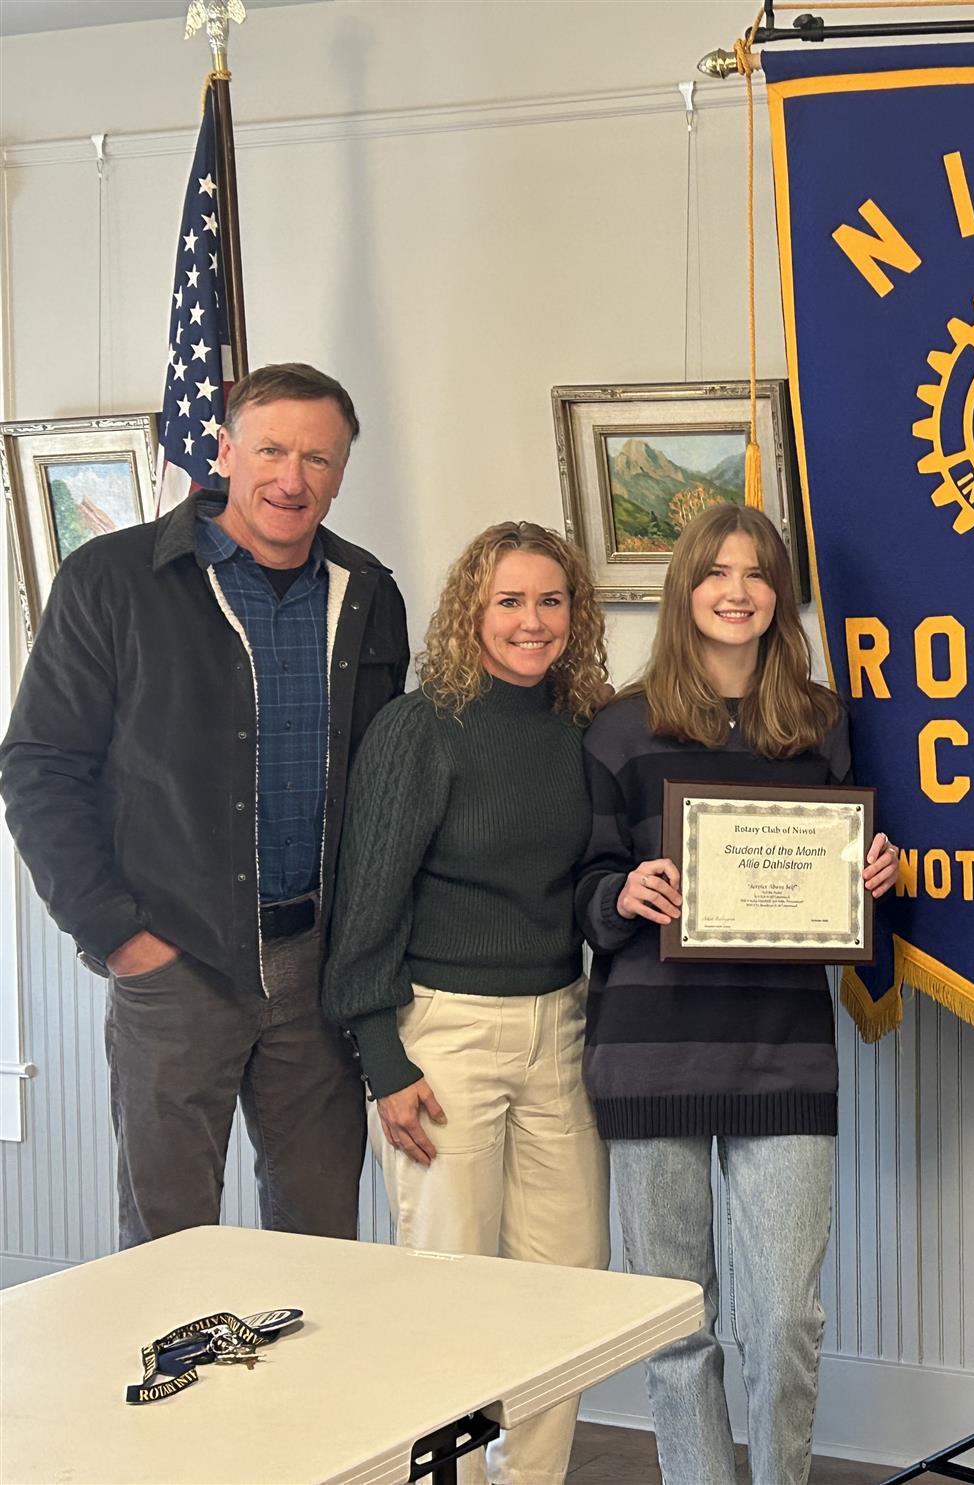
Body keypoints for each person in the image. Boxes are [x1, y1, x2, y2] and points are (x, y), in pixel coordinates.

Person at [0, 363, 407, 1248]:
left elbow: (386, 786)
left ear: (342, 471)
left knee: (320, 1244)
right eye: (270, 450)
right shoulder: (113, 579)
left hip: (319, 969)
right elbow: (38, 767)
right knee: (169, 1248)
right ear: (223, 450)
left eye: (318, 458)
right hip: (175, 965)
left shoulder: (368, 592)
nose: (292, 478)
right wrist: (119, 937)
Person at [578, 503, 897, 1485]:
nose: (737, 590)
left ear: (780, 595)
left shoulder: (823, 723)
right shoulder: (619, 727)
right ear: (685, 588)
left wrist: (875, 875)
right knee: (676, 1323)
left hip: (782, 1052)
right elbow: (579, 886)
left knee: (785, 1317)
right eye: (717, 571)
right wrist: (620, 892)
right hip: (649, 1053)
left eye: (758, 573)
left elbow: (847, 884)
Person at [322, 521, 612, 1484]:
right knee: (450, 1290)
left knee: (565, 1287)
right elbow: (367, 904)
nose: (533, 621)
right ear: (469, 613)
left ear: (576, 613)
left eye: (551, 600)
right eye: (509, 601)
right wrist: (384, 1062)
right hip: (442, 1038)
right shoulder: (419, 729)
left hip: (560, 1027)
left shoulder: (583, 727)